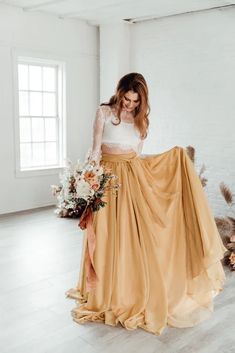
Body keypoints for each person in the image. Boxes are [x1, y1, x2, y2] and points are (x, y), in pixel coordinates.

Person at [65, 72, 227, 336]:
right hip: (106, 178)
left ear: (141, 101)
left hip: (132, 180)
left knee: (130, 237)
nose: (129, 105)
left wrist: (171, 159)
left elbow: (137, 156)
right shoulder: (104, 113)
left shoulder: (141, 122)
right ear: (119, 93)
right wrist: (88, 181)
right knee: (104, 236)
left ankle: (128, 290)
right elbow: (95, 149)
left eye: (135, 101)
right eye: (126, 99)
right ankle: (103, 290)